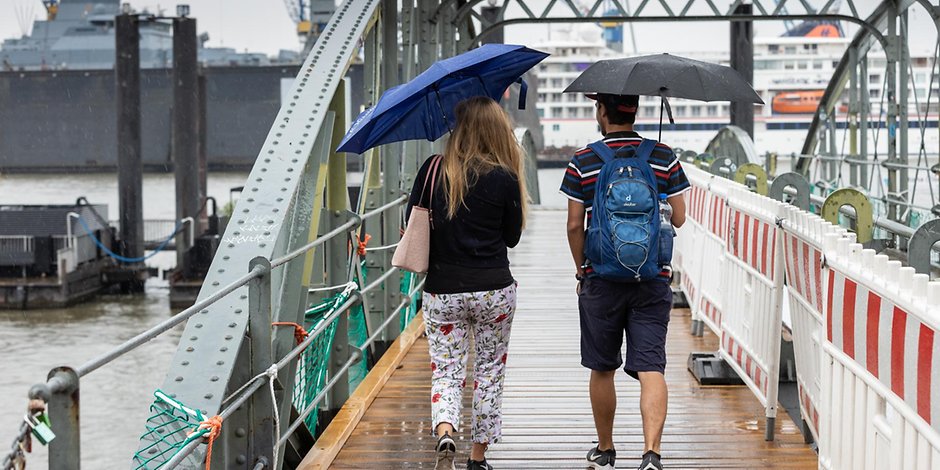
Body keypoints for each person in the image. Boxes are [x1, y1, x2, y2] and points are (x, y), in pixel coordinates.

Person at [560, 93, 689, 470]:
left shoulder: (584, 160)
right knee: (651, 367)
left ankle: (605, 448)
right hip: (652, 278)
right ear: (635, 110)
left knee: (602, 367)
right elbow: (679, 218)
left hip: (601, 279)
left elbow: (573, 225)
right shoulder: (662, 156)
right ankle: (651, 453)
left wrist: (582, 269)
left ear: (602, 112)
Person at [406, 96, 527, 470]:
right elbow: (512, 238)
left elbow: (412, 224)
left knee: (446, 370)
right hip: (493, 290)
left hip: (443, 290)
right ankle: (477, 457)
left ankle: (445, 431)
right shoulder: (505, 177)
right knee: (489, 371)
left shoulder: (433, 170)